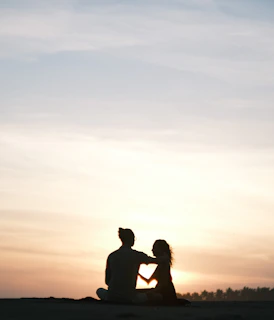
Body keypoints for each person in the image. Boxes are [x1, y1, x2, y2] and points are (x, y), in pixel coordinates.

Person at [96, 228, 166, 304]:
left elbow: (107, 281)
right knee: (158, 297)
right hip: (130, 298)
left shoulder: (112, 256)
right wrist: (165, 256)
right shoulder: (137, 255)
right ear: (132, 239)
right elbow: (155, 260)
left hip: (111, 296)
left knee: (99, 290)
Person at [138, 239, 177, 303]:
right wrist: (138, 273)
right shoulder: (160, 265)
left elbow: (163, 285)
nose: (152, 250)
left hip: (165, 294)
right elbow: (148, 281)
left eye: (154, 248)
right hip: (159, 291)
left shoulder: (164, 265)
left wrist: (151, 292)